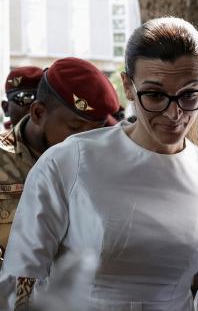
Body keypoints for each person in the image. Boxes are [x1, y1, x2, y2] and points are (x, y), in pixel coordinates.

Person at [0, 18, 198, 311]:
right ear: (128, 86)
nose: (174, 112)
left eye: (189, 95)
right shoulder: (70, 161)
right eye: (154, 95)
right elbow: (22, 275)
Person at [0, 58, 119, 257]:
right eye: (75, 128)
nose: (85, 142)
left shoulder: (103, 165)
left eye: (95, 132)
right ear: (38, 113)